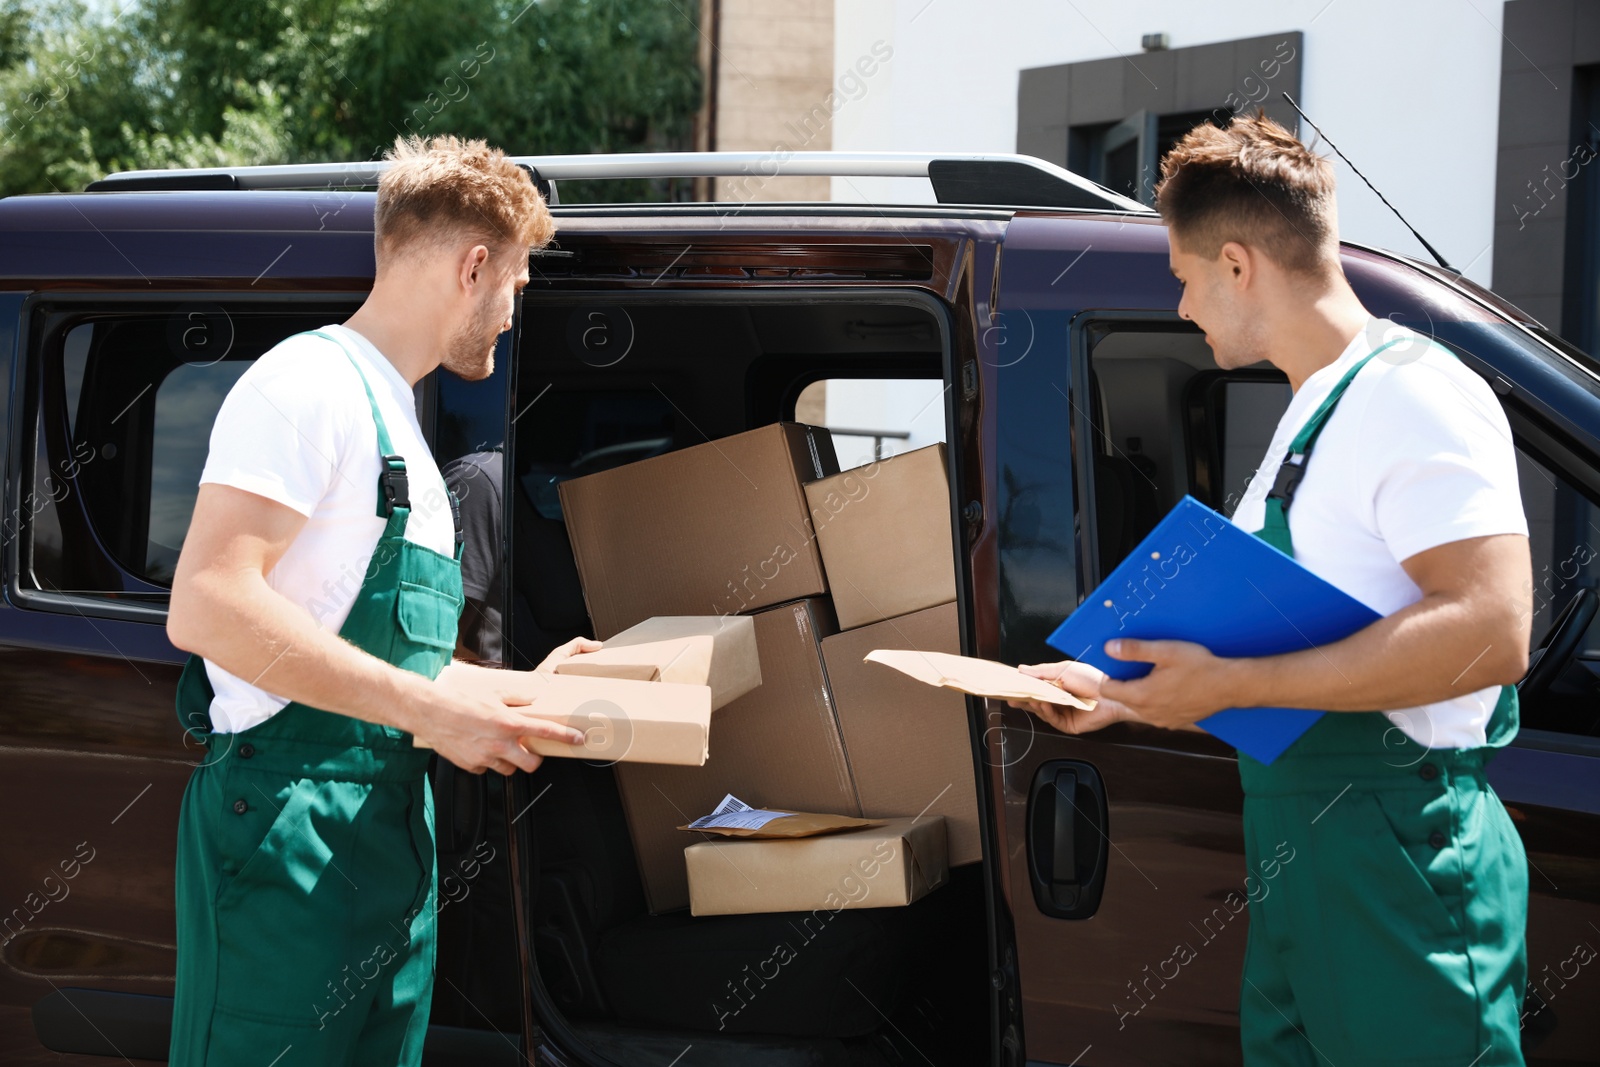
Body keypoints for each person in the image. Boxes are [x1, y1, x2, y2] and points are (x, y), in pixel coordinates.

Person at [1013, 114, 1533, 1067]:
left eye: (1183, 276)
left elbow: (1491, 631)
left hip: (1401, 855)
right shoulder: (1310, 417)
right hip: (1307, 857)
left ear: (1239, 264)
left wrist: (1233, 686)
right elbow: (1265, 655)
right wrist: (1120, 693)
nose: (1181, 307)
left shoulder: (1414, 394)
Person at [165, 134, 595, 1067]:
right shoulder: (304, 386)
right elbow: (204, 604)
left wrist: (516, 691)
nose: (516, 311)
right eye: (517, 283)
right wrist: (431, 707)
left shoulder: (398, 423)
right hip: (288, 835)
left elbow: (381, 651)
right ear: (473, 264)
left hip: (388, 838)